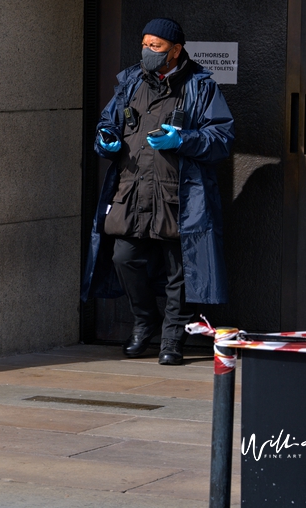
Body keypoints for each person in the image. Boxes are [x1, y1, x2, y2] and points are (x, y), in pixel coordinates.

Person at [81, 18, 234, 365]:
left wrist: (184, 139)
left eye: (156, 47)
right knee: (124, 256)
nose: (147, 52)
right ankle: (144, 321)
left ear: (176, 50)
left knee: (178, 269)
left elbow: (221, 138)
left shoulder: (200, 87)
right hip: (132, 190)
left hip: (178, 193)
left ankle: (172, 340)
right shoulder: (131, 81)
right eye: (145, 44)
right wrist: (106, 139)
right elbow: (108, 121)